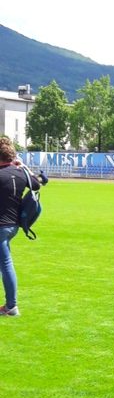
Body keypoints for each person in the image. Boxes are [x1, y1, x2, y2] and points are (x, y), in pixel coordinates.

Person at [0, 136, 47, 318]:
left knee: (6, 264)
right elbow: (36, 184)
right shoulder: (20, 173)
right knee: (4, 263)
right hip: (13, 226)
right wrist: (24, 167)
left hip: (1, 226)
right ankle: (10, 306)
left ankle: (11, 306)